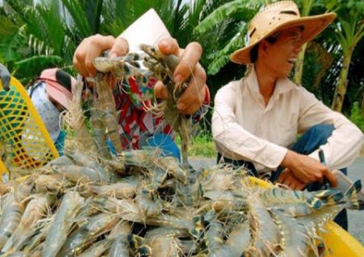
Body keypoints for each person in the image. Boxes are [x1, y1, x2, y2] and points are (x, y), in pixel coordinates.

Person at [212, 1, 364, 229]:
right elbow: (223, 133)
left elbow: (352, 133)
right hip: (241, 192)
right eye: (293, 41)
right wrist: (290, 159)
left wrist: (310, 166)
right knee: (233, 157)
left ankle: (331, 245)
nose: (298, 49)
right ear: (265, 47)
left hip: (285, 185)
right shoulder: (231, 93)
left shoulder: (297, 97)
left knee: (325, 134)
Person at [73, 9, 210, 160]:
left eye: (150, 74)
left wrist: (193, 87)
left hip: (163, 154)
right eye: (136, 74)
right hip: (115, 151)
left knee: (165, 147)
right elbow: (87, 89)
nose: (142, 81)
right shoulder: (114, 84)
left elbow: (197, 106)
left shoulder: (168, 90)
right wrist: (89, 67)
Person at [26, 68, 76, 156]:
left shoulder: (57, 137)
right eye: (53, 102)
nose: (53, 110)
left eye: (61, 110)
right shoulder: (12, 101)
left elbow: (60, 161)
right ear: (38, 87)